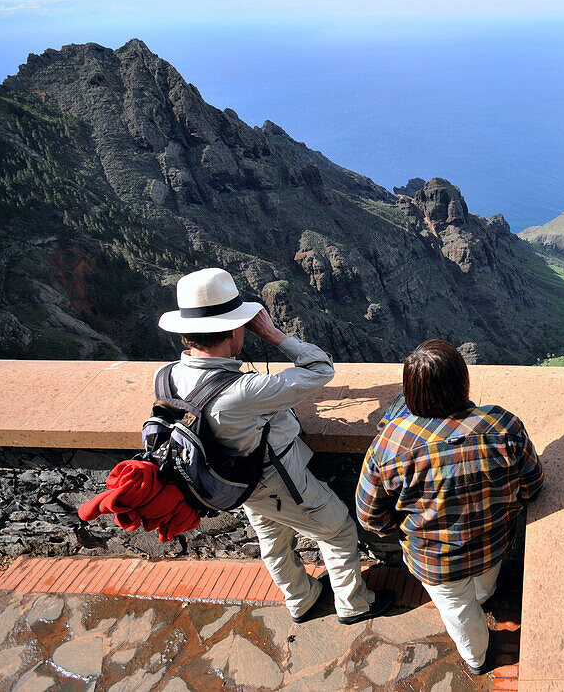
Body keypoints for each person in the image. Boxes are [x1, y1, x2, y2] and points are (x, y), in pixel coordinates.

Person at [157, 267, 394, 624]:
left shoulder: (167, 375)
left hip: (239, 482)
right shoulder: (245, 391)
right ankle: (354, 603)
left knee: (274, 541)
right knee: (338, 528)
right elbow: (319, 369)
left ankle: (301, 599)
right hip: (278, 480)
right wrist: (274, 335)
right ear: (236, 329)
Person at [355, 339, 544, 674]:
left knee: (457, 609)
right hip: (493, 541)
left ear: (409, 391)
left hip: (434, 560)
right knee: (485, 582)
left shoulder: (389, 445)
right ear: (463, 381)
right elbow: (533, 484)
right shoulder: (503, 425)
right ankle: (484, 599)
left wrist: (401, 531)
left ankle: (477, 659)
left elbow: (369, 516)